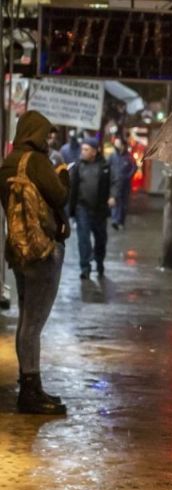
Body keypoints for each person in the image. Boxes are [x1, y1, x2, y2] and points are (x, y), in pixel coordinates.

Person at [0, 111, 71, 415]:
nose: (47, 139)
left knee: (26, 320)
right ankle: (30, 392)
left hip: (18, 251)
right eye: (45, 134)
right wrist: (64, 173)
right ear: (35, 133)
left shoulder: (7, 163)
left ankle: (30, 384)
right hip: (42, 251)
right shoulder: (37, 161)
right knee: (34, 323)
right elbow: (60, 196)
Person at [68, 138, 112, 279]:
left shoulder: (104, 166)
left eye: (86, 149)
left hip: (99, 210)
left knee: (100, 239)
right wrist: (71, 210)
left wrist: (113, 197)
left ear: (94, 151)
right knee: (83, 239)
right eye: (82, 149)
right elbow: (73, 188)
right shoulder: (78, 166)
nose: (83, 152)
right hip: (83, 208)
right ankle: (85, 267)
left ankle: (99, 261)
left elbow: (113, 183)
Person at [108, 135, 137, 231]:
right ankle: (115, 220)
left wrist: (128, 177)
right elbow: (107, 167)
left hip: (125, 184)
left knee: (123, 203)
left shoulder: (129, 157)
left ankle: (121, 221)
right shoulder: (112, 156)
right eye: (116, 144)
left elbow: (134, 168)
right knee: (115, 200)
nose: (117, 145)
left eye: (119, 144)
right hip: (114, 184)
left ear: (123, 145)